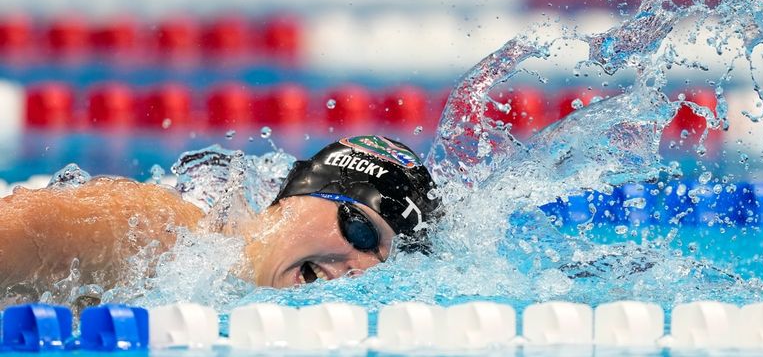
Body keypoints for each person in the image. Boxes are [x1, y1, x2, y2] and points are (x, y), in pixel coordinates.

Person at [0, 135, 442, 304]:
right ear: (294, 197)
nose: (359, 269)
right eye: (360, 230)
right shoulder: (159, 232)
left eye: (384, 265)